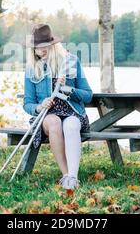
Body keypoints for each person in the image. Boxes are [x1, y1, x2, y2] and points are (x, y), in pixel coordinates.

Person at [23, 24, 93, 190]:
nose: (41, 50)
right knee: (55, 122)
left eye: (44, 46)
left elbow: (88, 95)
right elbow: (27, 103)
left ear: (53, 44)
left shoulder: (71, 62)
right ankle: (65, 174)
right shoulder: (32, 69)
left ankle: (73, 177)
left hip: (72, 112)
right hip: (47, 115)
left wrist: (69, 89)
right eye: (36, 47)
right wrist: (40, 107)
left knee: (71, 124)